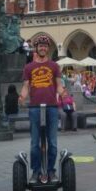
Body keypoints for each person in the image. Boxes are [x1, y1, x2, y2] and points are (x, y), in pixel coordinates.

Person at [20, 35, 65, 183]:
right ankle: (36, 171)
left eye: (45, 46)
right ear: (36, 48)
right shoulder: (28, 67)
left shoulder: (54, 66)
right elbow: (26, 87)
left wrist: (63, 94)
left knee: (52, 142)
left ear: (48, 48)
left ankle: (51, 171)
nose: (43, 48)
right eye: (40, 46)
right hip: (34, 108)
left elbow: (58, 85)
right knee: (35, 144)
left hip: (52, 107)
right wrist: (22, 97)